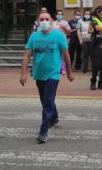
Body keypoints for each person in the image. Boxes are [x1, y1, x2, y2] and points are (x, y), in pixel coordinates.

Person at [20, 12, 74, 144]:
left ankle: (43, 131)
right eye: (41, 19)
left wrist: (69, 72)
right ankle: (54, 118)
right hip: (39, 73)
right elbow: (27, 56)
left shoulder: (58, 35)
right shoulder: (34, 36)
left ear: (51, 21)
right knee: (46, 100)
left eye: (46, 19)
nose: (44, 21)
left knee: (48, 99)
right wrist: (23, 73)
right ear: (38, 21)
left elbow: (66, 55)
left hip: (53, 73)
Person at [77, 9, 93, 73]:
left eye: (88, 14)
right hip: (84, 41)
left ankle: (93, 69)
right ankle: (84, 69)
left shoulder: (92, 21)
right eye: (86, 14)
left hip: (92, 41)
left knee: (92, 55)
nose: (87, 15)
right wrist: (80, 39)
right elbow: (78, 30)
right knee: (85, 56)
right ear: (84, 14)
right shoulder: (80, 21)